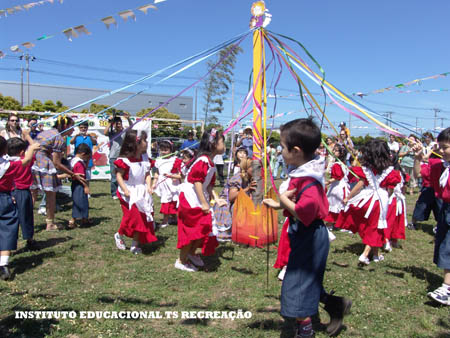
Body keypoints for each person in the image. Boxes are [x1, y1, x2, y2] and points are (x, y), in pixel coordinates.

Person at [263, 118, 351, 337]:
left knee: (296, 283)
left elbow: (305, 213)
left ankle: (305, 330)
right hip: (305, 234)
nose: (280, 152)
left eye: (282, 147)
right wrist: (279, 204)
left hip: (309, 236)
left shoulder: (309, 180)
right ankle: (335, 305)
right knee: (304, 279)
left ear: (295, 150)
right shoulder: (304, 171)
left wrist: (283, 201)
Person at [335, 139, 401, 265]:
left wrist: (349, 197)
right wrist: (386, 198)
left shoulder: (365, 170)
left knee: (373, 226)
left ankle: (376, 255)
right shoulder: (390, 172)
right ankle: (365, 255)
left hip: (365, 199)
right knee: (376, 227)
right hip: (380, 200)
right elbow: (390, 190)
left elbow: (360, 184)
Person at [176, 129, 223, 272]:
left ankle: (191, 253)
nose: (224, 144)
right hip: (190, 197)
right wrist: (203, 203)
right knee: (193, 228)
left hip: (199, 195)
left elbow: (207, 186)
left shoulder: (211, 164)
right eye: (222, 141)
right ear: (214, 144)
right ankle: (181, 260)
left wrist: (216, 198)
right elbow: (196, 182)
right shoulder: (203, 160)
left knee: (204, 226)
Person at [31, 116, 87, 231]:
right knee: (51, 194)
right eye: (72, 127)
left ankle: (25, 221)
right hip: (43, 164)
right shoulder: (59, 138)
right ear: (65, 126)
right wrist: (72, 174)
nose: (73, 130)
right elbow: (56, 163)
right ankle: (50, 223)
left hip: (33, 162)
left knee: (33, 194)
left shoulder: (47, 132)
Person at [0, 137, 40, 280]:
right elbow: (26, 160)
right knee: (8, 227)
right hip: (3, 198)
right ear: (4, 150)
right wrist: (32, 147)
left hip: (7, 195)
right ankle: (3, 264)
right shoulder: (8, 165)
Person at [113, 130, 157, 255]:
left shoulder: (144, 158)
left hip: (141, 190)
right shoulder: (124, 160)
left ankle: (134, 244)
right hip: (128, 191)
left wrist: (149, 186)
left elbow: (147, 173)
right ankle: (120, 234)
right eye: (144, 140)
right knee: (134, 216)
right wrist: (126, 190)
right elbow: (119, 176)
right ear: (135, 143)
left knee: (143, 216)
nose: (147, 143)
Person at [420, 127, 450, 305]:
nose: (440, 151)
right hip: (445, 209)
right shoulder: (440, 166)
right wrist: (418, 158)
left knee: (448, 246)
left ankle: (447, 288)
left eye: (445, 147)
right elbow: (420, 173)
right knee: (444, 244)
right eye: (439, 147)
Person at [213, 158, 257, 242]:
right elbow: (231, 197)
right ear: (246, 168)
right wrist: (247, 189)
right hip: (226, 204)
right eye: (253, 167)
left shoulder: (250, 177)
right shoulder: (238, 178)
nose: (256, 170)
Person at [7, 138, 38, 251]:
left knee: (10, 219)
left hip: (8, 192)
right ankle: (29, 239)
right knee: (26, 217)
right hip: (22, 192)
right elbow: (34, 148)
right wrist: (27, 136)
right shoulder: (24, 161)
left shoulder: (6, 163)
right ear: (22, 152)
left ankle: (8, 244)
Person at [104, 113, 132, 199]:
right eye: (117, 123)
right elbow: (105, 132)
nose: (119, 125)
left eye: (120, 123)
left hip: (123, 156)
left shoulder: (124, 132)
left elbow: (131, 127)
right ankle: (114, 193)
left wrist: (128, 119)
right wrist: (110, 122)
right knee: (114, 176)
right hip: (113, 157)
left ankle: (123, 191)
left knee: (124, 175)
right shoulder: (112, 133)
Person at [384, 152, 408, 252]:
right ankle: (389, 240)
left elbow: (397, 187)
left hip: (392, 199)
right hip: (394, 199)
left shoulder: (395, 172)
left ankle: (390, 240)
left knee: (392, 220)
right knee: (392, 220)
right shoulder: (390, 171)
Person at [153, 141, 180, 228]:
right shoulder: (159, 160)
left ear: (171, 150)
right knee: (167, 200)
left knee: (172, 201)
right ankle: (170, 218)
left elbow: (179, 172)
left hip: (172, 183)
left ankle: (167, 220)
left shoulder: (175, 159)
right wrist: (154, 183)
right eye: (162, 150)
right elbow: (157, 172)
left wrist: (174, 177)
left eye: (166, 150)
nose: (164, 152)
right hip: (163, 184)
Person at [324, 144, 350, 226]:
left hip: (338, 187)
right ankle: (337, 223)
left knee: (334, 203)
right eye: (334, 150)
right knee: (337, 204)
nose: (333, 151)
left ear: (341, 153)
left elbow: (337, 177)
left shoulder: (337, 164)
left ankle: (331, 223)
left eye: (336, 150)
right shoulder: (341, 163)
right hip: (341, 186)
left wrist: (328, 182)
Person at [69, 143, 92, 228]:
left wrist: (88, 160)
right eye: (87, 157)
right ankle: (82, 219)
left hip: (75, 184)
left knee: (76, 201)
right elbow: (81, 177)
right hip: (80, 185)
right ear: (83, 154)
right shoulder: (79, 163)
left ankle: (78, 219)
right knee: (82, 202)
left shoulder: (74, 160)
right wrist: (86, 186)